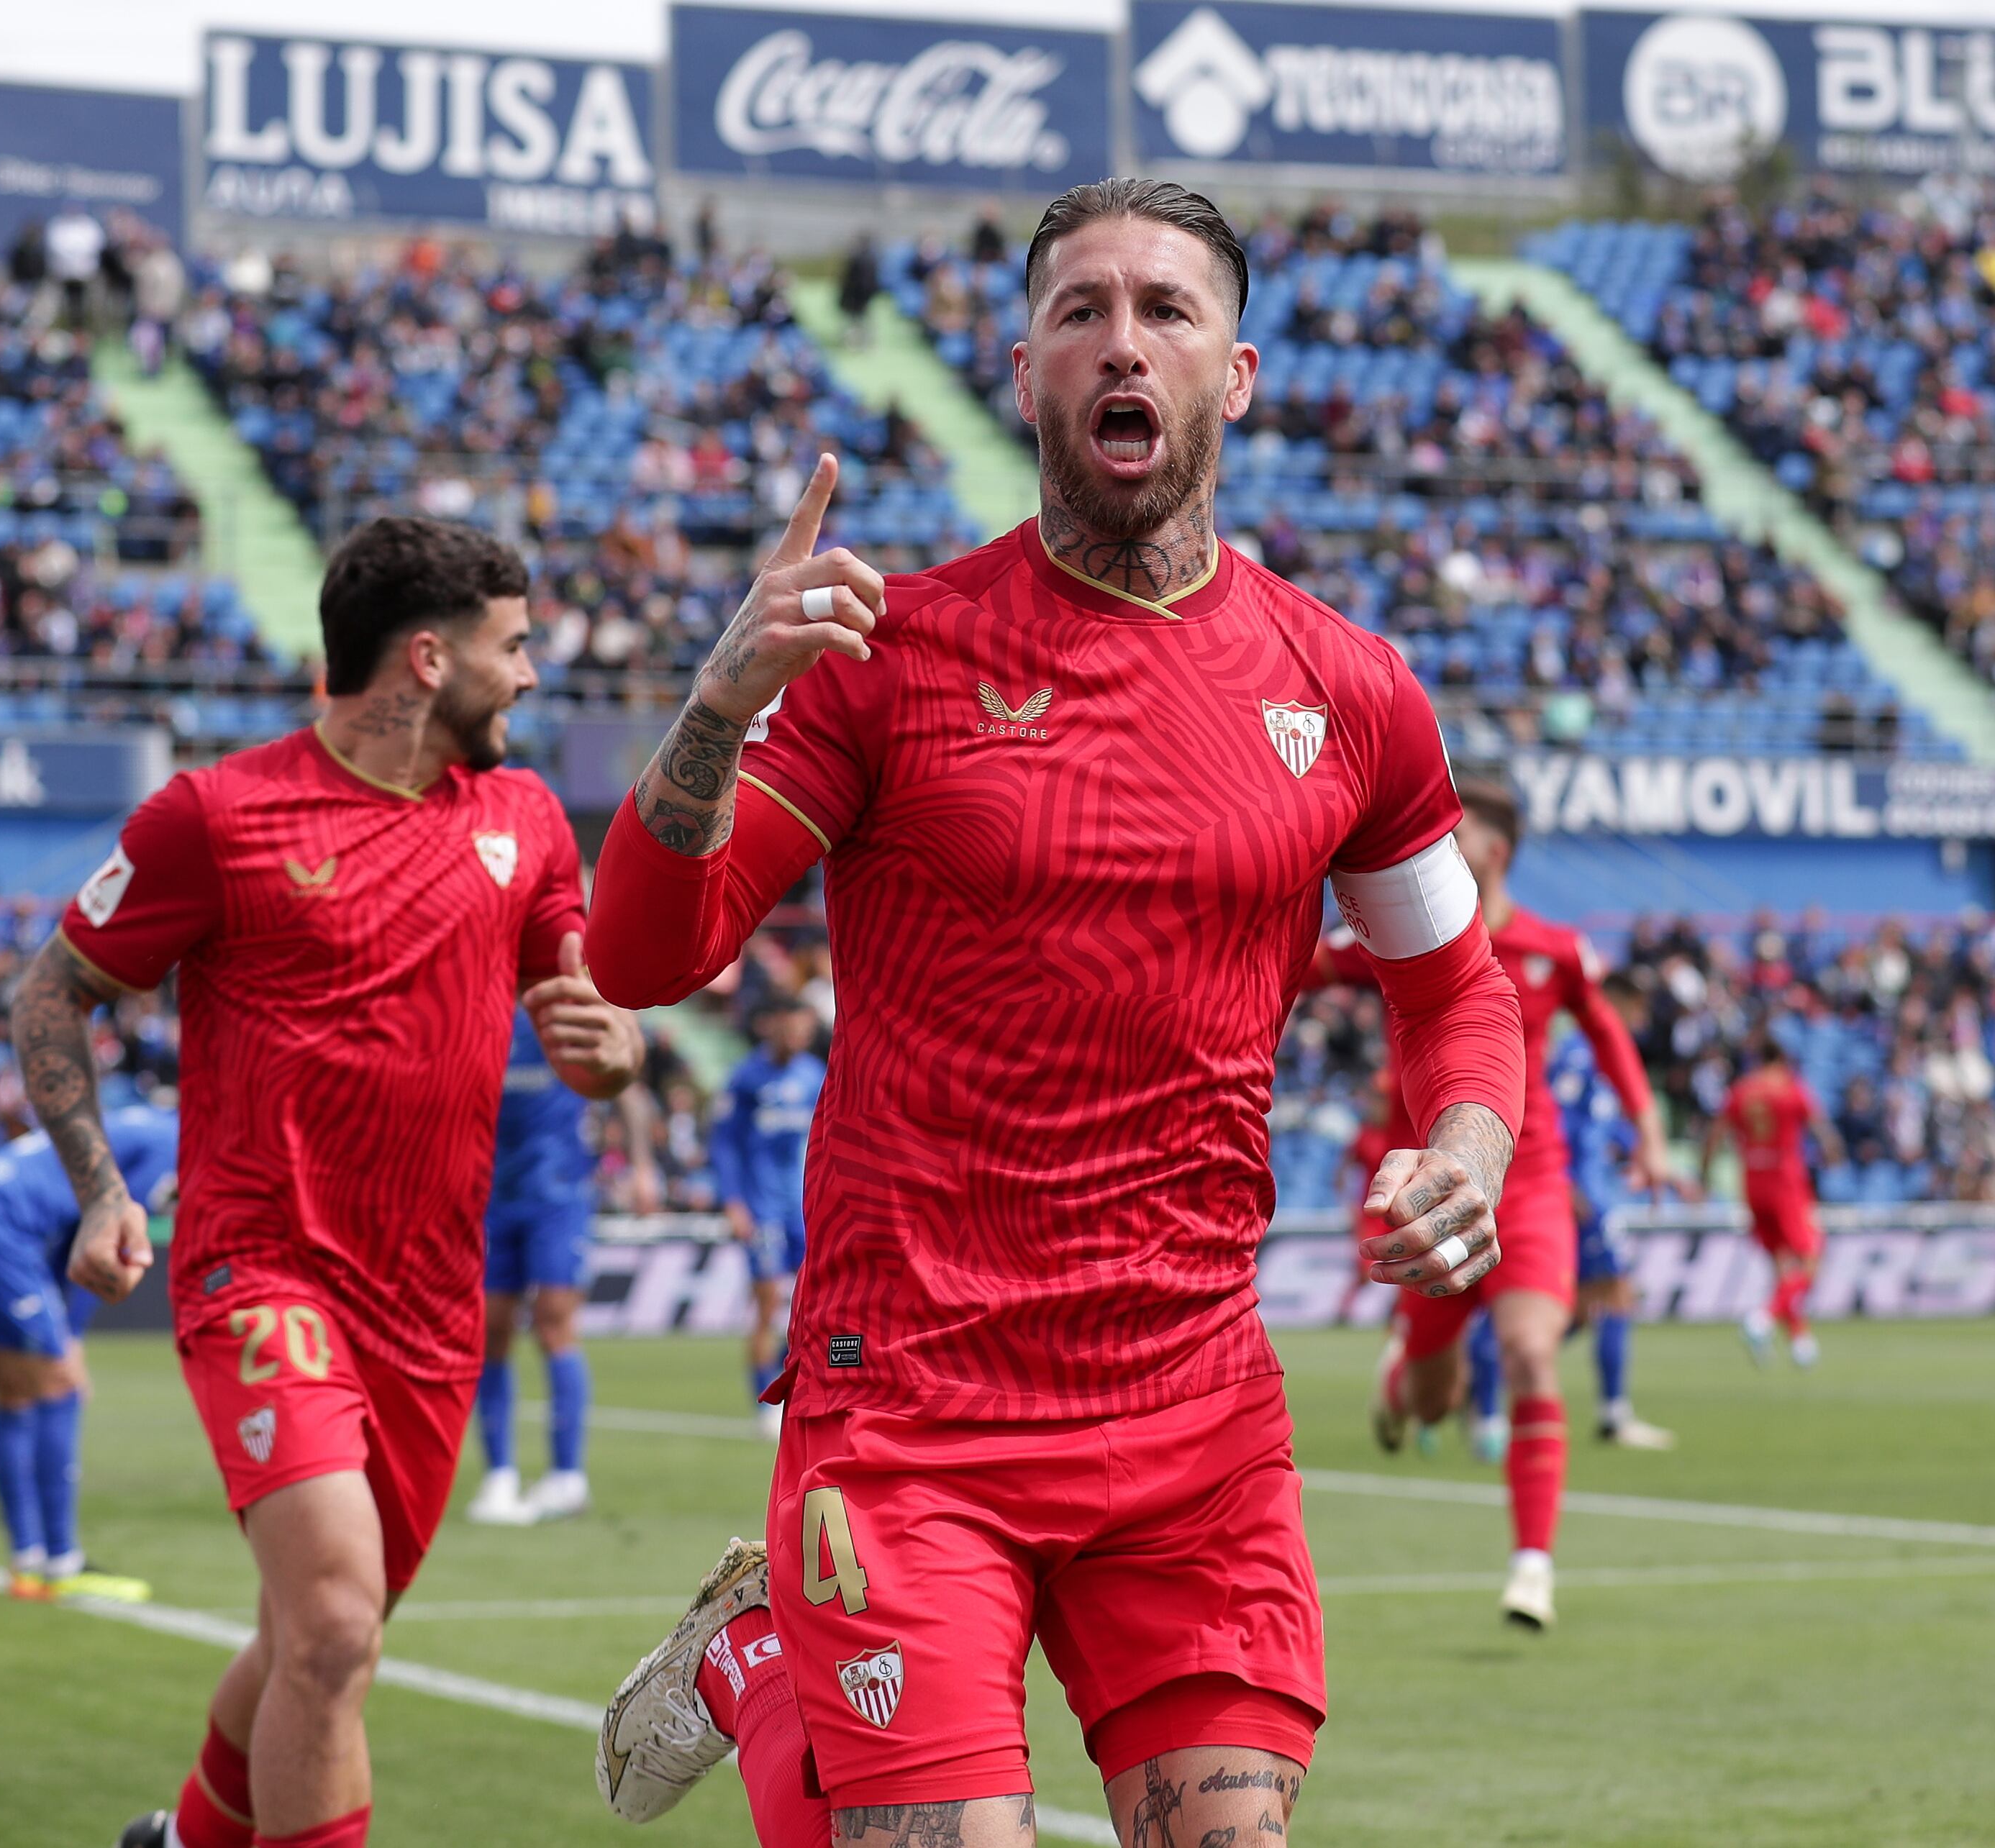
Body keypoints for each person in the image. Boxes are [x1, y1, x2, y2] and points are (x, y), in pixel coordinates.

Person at [586, 179, 1525, 1848]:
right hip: (914, 1410)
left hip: (1190, 1414)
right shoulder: (892, 657)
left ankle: (773, 1663)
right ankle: (784, 1667)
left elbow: (1453, 985)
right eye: (1079, 309)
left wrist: (1463, 1144)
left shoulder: (1352, 692)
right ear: (1024, 369)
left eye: (1164, 309)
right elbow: (653, 956)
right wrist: (717, 709)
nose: (1120, 337)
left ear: (1231, 374)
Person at [9, 515, 647, 1848]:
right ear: (428, 657)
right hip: (264, 1274)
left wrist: (613, 1046)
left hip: (427, 1311)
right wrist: (101, 1188)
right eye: (513, 645)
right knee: (338, 1621)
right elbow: (53, 992)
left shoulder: (526, 823)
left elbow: (577, 1017)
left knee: (313, 1633)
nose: (531, 674)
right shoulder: (215, 816)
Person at [1368, 778, 1673, 1631]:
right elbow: (1294, 969)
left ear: (1493, 851)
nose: (1430, 849)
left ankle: (1531, 1565)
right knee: (1432, 1399)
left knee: (1532, 1350)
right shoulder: (1396, 933)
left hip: (1529, 1180)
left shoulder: (1553, 948)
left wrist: (1649, 1134)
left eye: (1449, 837)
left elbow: (1611, 1038)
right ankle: (1401, 1381)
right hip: (1428, 1184)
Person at [0, 1102, 176, 1600]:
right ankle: (63, 1560)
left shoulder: (136, 1120)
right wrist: (73, 1334)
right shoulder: (173, 1142)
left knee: (16, 1395)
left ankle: (28, 1561)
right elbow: (108, 1234)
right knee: (63, 1384)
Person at [469, 1011, 661, 1527]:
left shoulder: (566, 1014)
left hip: (559, 1195)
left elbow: (629, 1089)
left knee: (554, 1321)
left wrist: (641, 1167)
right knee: (490, 1328)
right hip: (491, 1194)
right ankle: (500, 1474)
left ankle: (566, 1475)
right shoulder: (479, 1016)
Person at [1552, 1021, 1677, 1449]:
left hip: (1596, 1193)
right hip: (1583, 1196)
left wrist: (1656, 1163)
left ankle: (1488, 1371)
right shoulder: (1579, 1053)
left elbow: (1606, 1127)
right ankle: (1614, 1414)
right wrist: (1566, 1183)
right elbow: (1554, 1119)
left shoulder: (1599, 1057)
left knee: (1584, 1309)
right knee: (1617, 1295)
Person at [709, 996, 826, 1438]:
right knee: (767, 1304)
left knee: (809, 1307)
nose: (797, 1036)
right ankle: (763, 1402)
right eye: (789, 1027)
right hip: (763, 1210)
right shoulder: (746, 1078)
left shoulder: (814, 1075)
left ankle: (800, 1389)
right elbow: (723, 1146)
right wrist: (734, 1202)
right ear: (771, 1025)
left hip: (806, 1210)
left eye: (803, 1028)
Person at [1709, 1036, 1826, 1368]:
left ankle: (1801, 1342)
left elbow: (1716, 1133)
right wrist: (1833, 1151)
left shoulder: (1742, 1090)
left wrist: (1704, 1173)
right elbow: (1818, 1124)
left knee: (1781, 1266)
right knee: (1810, 1261)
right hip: (1786, 1183)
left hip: (1753, 1183)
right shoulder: (1790, 1088)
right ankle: (1762, 1319)